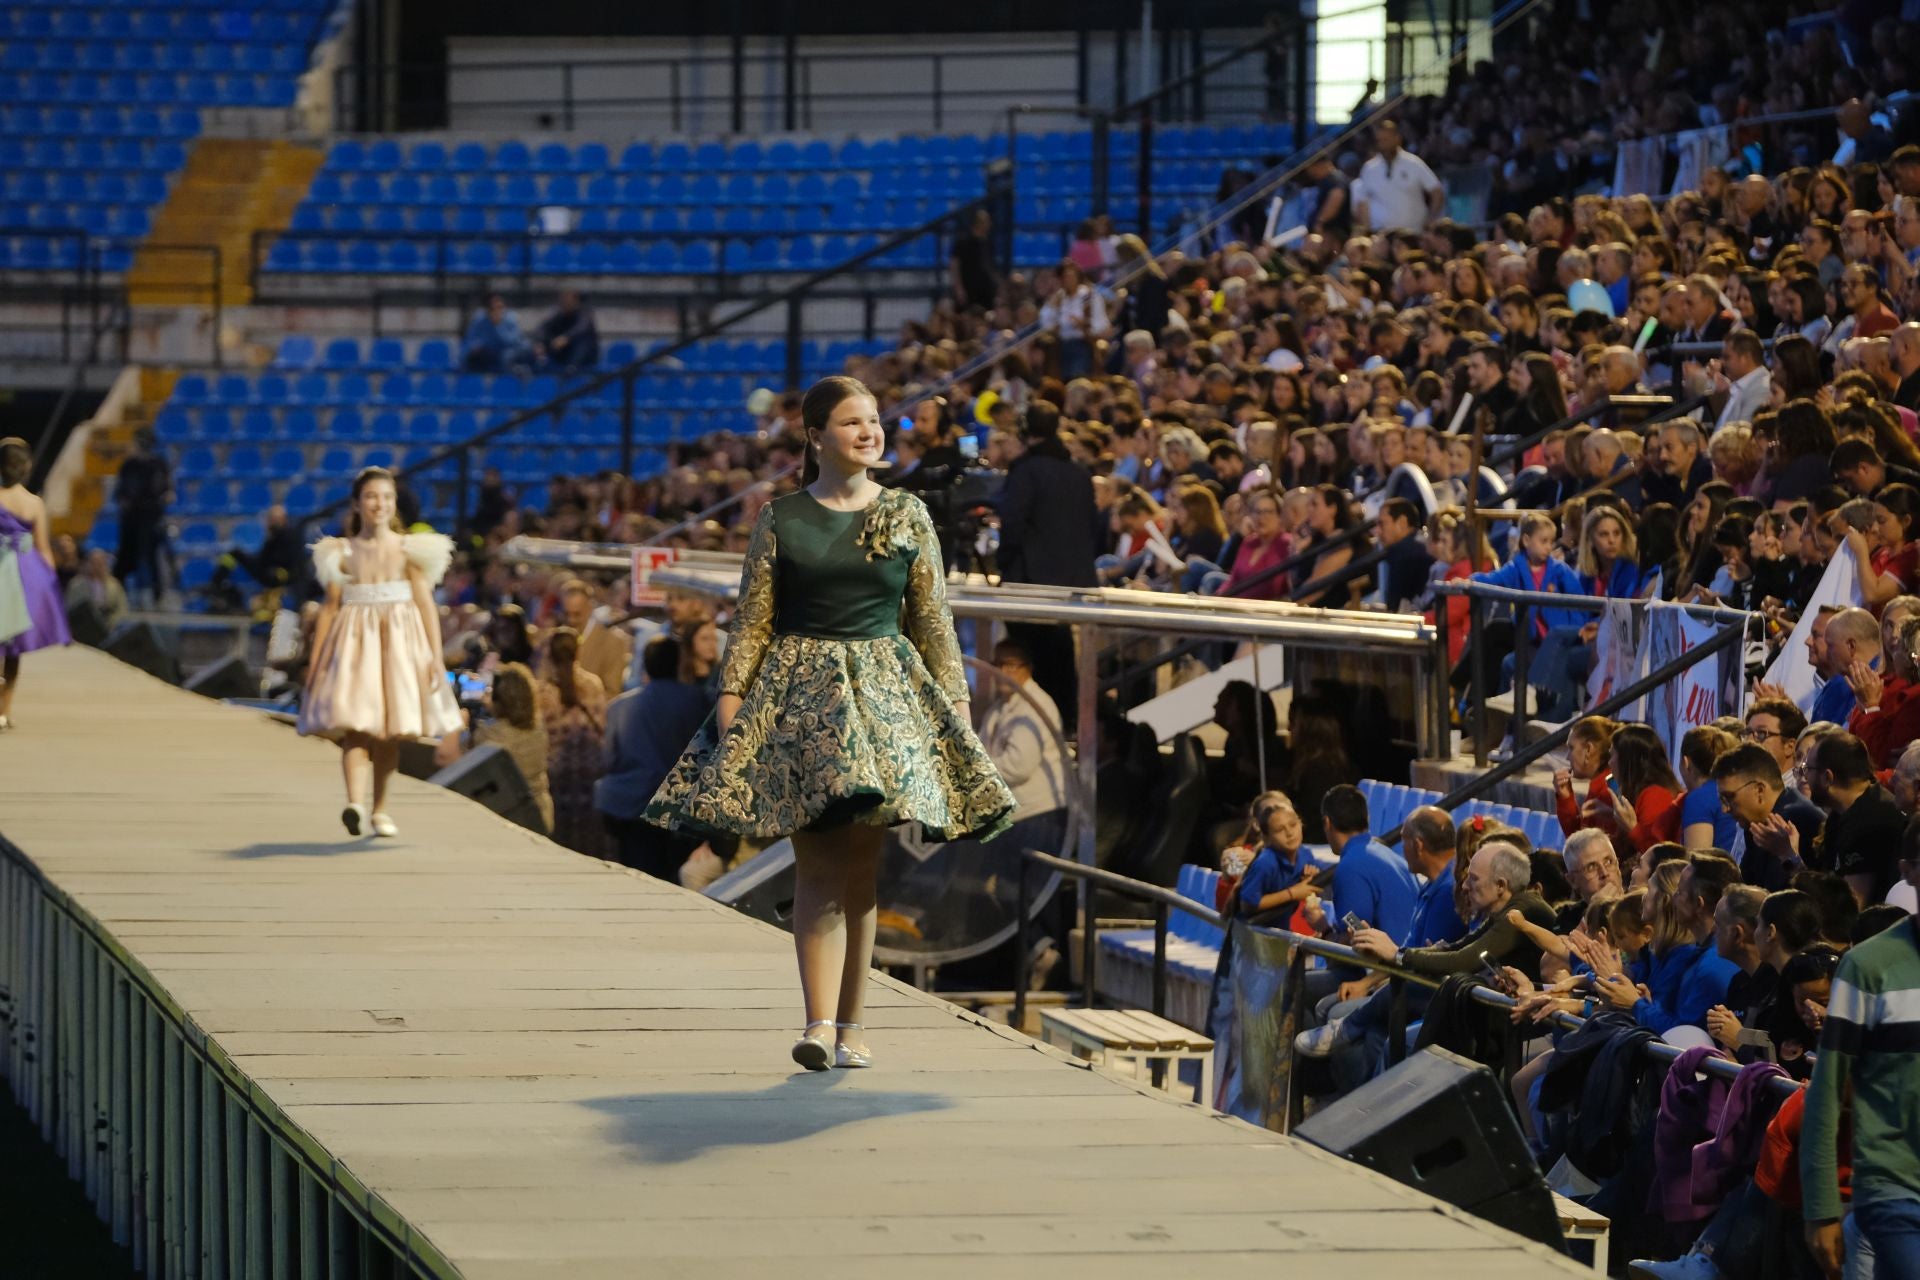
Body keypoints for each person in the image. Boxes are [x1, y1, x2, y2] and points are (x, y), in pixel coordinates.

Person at [645, 376, 1015, 1072]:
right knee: (816, 861)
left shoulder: (908, 514)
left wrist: (956, 710)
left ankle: (853, 1024)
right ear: (816, 436)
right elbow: (752, 621)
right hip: (801, 705)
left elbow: (934, 621)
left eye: (874, 421)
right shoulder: (780, 517)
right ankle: (818, 1023)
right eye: (852, 422)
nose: (870, 432)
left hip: (882, 699)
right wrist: (732, 705)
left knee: (861, 872)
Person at [299, 466, 462, 837]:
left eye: (387, 497)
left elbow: (425, 604)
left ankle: (381, 809)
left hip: (399, 643)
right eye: (372, 497)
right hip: (356, 643)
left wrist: (435, 657)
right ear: (357, 503)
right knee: (357, 725)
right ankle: (355, 802)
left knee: (390, 730)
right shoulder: (340, 551)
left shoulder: (409, 550)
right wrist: (318, 658)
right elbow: (330, 607)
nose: (380, 504)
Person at [1800, 822, 1920, 1278]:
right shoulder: (1867, 967)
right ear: (1908, 871)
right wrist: (1822, 1206)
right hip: (1894, 1188)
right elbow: (1826, 1090)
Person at [995, 401, 1098, 716]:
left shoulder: (1026, 471)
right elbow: (1091, 526)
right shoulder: (1080, 474)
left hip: (1029, 585)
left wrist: (1004, 562)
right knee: (1060, 661)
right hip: (1071, 586)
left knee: (1030, 665)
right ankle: (1065, 725)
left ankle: (1035, 726)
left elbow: (1013, 526)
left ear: (1027, 431)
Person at [597, 635, 708, 879]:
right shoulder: (695, 700)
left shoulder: (619, 707)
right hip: (679, 807)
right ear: (677, 663)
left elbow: (609, 761)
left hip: (630, 806)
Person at [0, 437, 72, 730]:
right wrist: (50, 586)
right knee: (15, 647)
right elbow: (44, 550)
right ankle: (4, 711)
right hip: (24, 575)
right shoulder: (34, 503)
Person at [433, 661, 553, 834]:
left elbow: (444, 756)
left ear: (500, 700)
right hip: (540, 814)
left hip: (508, 818)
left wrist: (458, 721)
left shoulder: (491, 737)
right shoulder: (538, 728)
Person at [978, 639, 1069, 855]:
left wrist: (974, 770)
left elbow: (1017, 766)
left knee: (1020, 887)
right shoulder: (999, 707)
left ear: (1028, 668)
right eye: (997, 664)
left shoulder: (1035, 706)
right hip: (1011, 815)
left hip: (1036, 816)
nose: (1001, 671)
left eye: (1010, 665)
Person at [539, 626, 610, 859]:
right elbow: (601, 725)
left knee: (562, 834)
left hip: (558, 769)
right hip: (590, 767)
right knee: (588, 834)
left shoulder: (544, 691)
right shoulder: (593, 684)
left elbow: (543, 735)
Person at [112, 427, 172, 605]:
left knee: (150, 556)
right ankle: (117, 592)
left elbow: (165, 490)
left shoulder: (158, 465)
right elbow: (120, 491)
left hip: (150, 518)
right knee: (125, 557)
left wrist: (165, 497)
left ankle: (156, 593)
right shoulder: (128, 466)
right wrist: (125, 501)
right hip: (131, 519)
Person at [1352, 119, 1444, 233]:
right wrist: (1367, 230)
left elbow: (1436, 191)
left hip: (1413, 232)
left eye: (1387, 139)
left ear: (1398, 138)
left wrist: (1431, 218)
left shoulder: (1414, 163)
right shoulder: (1369, 168)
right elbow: (1362, 201)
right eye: (1380, 140)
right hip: (1380, 234)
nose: (1383, 144)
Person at [552, 577, 631, 696]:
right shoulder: (552, 639)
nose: (571, 620)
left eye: (577, 614)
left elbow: (612, 692)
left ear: (590, 608)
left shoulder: (613, 642)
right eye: (566, 614)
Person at [63, 546, 128, 635]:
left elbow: (121, 607)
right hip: (84, 628)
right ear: (87, 564)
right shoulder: (76, 585)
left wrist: (113, 622)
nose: (97, 566)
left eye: (101, 563)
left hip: (108, 626)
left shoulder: (114, 585)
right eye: (94, 562)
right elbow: (71, 607)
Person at [531, 290, 600, 373]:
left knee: (583, 341)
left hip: (584, 356)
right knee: (540, 343)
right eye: (563, 298)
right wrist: (539, 342)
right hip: (564, 353)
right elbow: (543, 328)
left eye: (567, 297)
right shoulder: (559, 314)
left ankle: (572, 368)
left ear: (576, 300)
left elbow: (581, 328)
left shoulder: (585, 313)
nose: (564, 301)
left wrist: (567, 337)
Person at [462, 294, 533, 374]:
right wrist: (475, 346)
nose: (497, 311)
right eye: (493, 308)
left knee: (506, 357)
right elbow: (471, 339)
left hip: (515, 349)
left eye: (500, 307)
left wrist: (498, 325)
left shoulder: (510, 318)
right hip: (493, 351)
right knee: (470, 358)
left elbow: (511, 341)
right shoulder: (480, 320)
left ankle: (515, 375)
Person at [948, 206, 998, 312]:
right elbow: (955, 266)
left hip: (986, 291)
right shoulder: (963, 243)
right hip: (968, 289)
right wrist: (959, 289)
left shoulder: (988, 243)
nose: (989, 224)